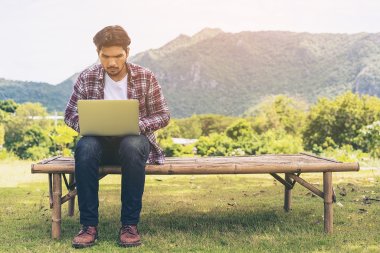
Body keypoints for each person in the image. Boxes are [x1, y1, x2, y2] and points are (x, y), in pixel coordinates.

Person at [64, 25, 170, 248]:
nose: (112, 63)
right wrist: (87, 124)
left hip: (134, 143)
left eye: (118, 56)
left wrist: (135, 125)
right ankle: (88, 226)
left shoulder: (145, 76)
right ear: (98, 53)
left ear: (127, 53)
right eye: (106, 56)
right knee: (85, 147)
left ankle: (129, 225)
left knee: (132, 145)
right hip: (98, 144)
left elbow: (163, 115)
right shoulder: (87, 77)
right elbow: (70, 114)